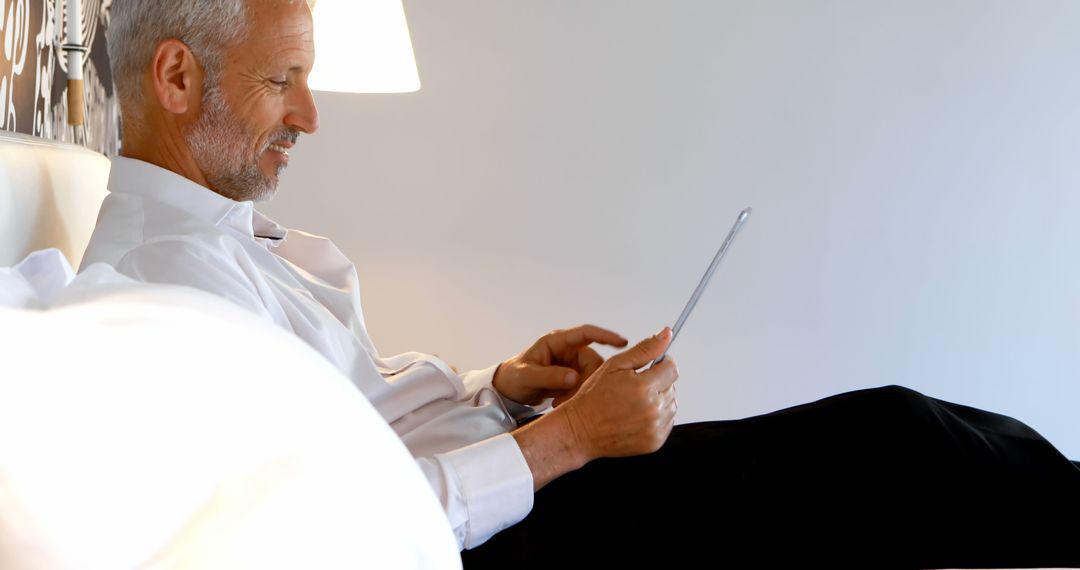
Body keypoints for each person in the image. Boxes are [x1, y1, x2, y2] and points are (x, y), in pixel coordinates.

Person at [85, 0, 1079, 566]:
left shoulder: (230, 247)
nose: (309, 114)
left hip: (502, 501)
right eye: (280, 80)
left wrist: (502, 390)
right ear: (177, 80)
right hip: (476, 550)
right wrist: (566, 444)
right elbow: (335, 534)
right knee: (893, 447)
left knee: (903, 441)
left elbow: (362, 429)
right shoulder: (170, 296)